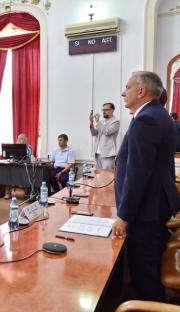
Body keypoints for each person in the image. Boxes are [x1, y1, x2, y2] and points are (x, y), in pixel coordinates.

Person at [112, 71, 179, 301]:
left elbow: (138, 173)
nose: (123, 92)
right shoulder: (159, 115)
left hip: (145, 212)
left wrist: (124, 214)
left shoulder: (146, 120)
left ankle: (149, 305)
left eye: (127, 87)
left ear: (141, 91)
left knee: (146, 276)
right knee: (147, 269)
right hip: (154, 206)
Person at [89, 103, 120, 169]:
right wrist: (91, 122)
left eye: (106, 110)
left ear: (112, 110)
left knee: (107, 175)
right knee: (98, 175)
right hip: (97, 153)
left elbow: (107, 132)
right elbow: (94, 133)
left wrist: (98, 122)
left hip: (108, 154)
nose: (104, 112)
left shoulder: (116, 122)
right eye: (103, 110)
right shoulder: (102, 122)